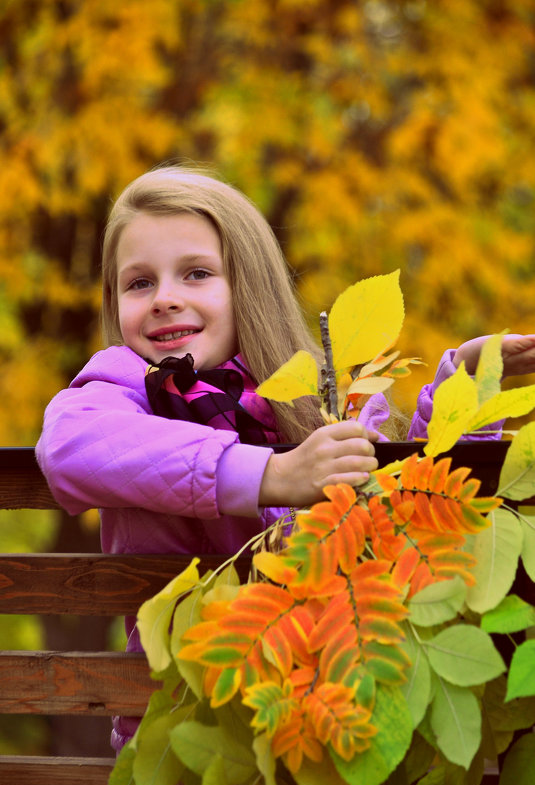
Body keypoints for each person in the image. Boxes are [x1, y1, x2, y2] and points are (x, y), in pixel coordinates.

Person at [35, 165, 535, 751]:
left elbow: (412, 519)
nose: (165, 298)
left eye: (196, 273)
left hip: (325, 710)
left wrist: (469, 384)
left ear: (248, 285)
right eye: (139, 283)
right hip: (190, 729)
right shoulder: (123, 392)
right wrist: (274, 474)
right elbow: (70, 446)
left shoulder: (312, 400)